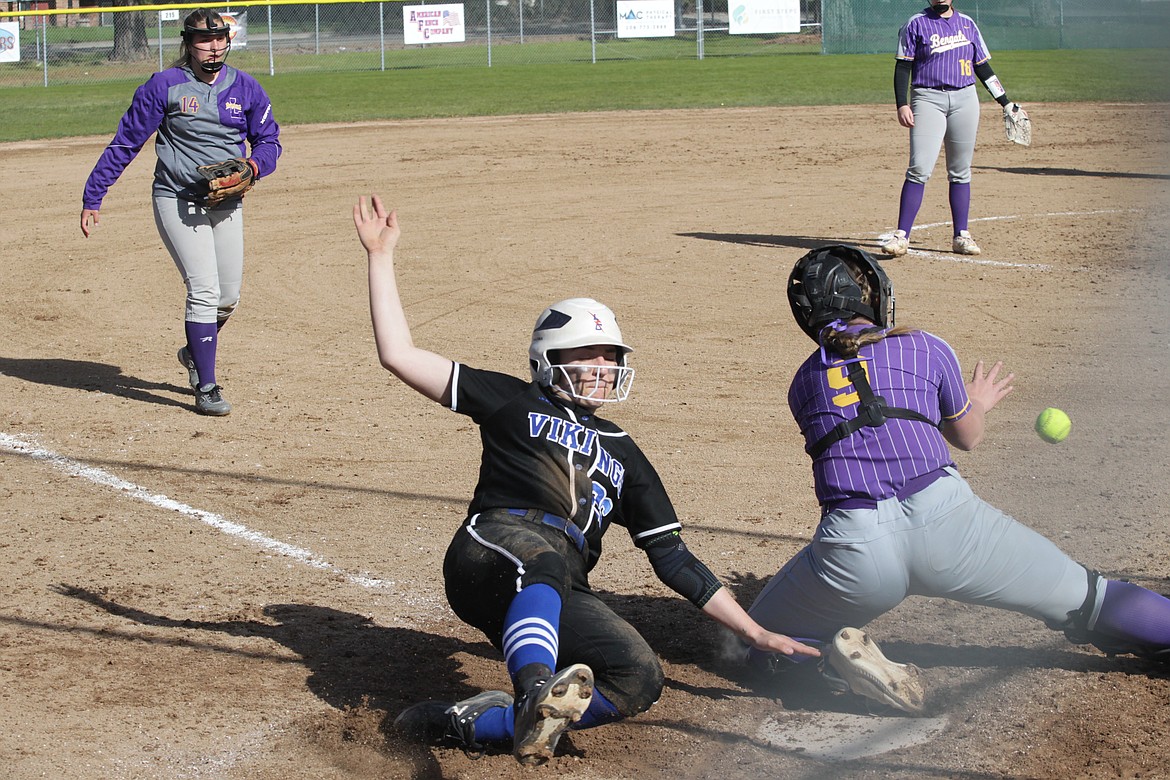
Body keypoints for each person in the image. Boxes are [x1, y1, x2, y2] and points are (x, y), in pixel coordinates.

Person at [353, 193, 820, 765]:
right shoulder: (511, 400)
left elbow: (674, 558)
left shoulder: (625, 451)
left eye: (610, 356)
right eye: (589, 355)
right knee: (542, 556)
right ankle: (531, 693)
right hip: (492, 550)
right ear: (551, 357)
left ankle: (478, 724)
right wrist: (381, 256)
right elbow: (398, 354)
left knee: (638, 675)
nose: (603, 366)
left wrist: (755, 633)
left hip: (561, 585)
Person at [744, 244, 1170, 714]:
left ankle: (833, 663)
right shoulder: (925, 344)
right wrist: (979, 402)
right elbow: (966, 437)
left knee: (757, 641)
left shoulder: (802, 383)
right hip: (950, 523)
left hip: (854, 546)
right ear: (875, 294)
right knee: (1093, 597)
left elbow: (862, 418)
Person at [80, 8, 282, 416]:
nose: (213, 46)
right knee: (204, 291)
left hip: (226, 201)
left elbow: (270, 141)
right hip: (176, 199)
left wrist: (255, 166)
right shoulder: (165, 86)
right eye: (203, 40)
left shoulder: (246, 88)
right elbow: (126, 143)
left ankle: (194, 351)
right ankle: (206, 386)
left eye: (219, 38)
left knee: (228, 298)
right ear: (187, 44)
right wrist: (93, 194)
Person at [879, 1, 1020, 259]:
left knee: (960, 169)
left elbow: (983, 68)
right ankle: (901, 236)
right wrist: (902, 104)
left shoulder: (968, 24)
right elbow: (903, 66)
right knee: (920, 168)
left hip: (965, 99)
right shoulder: (915, 24)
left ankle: (961, 236)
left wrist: (1005, 101)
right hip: (927, 98)